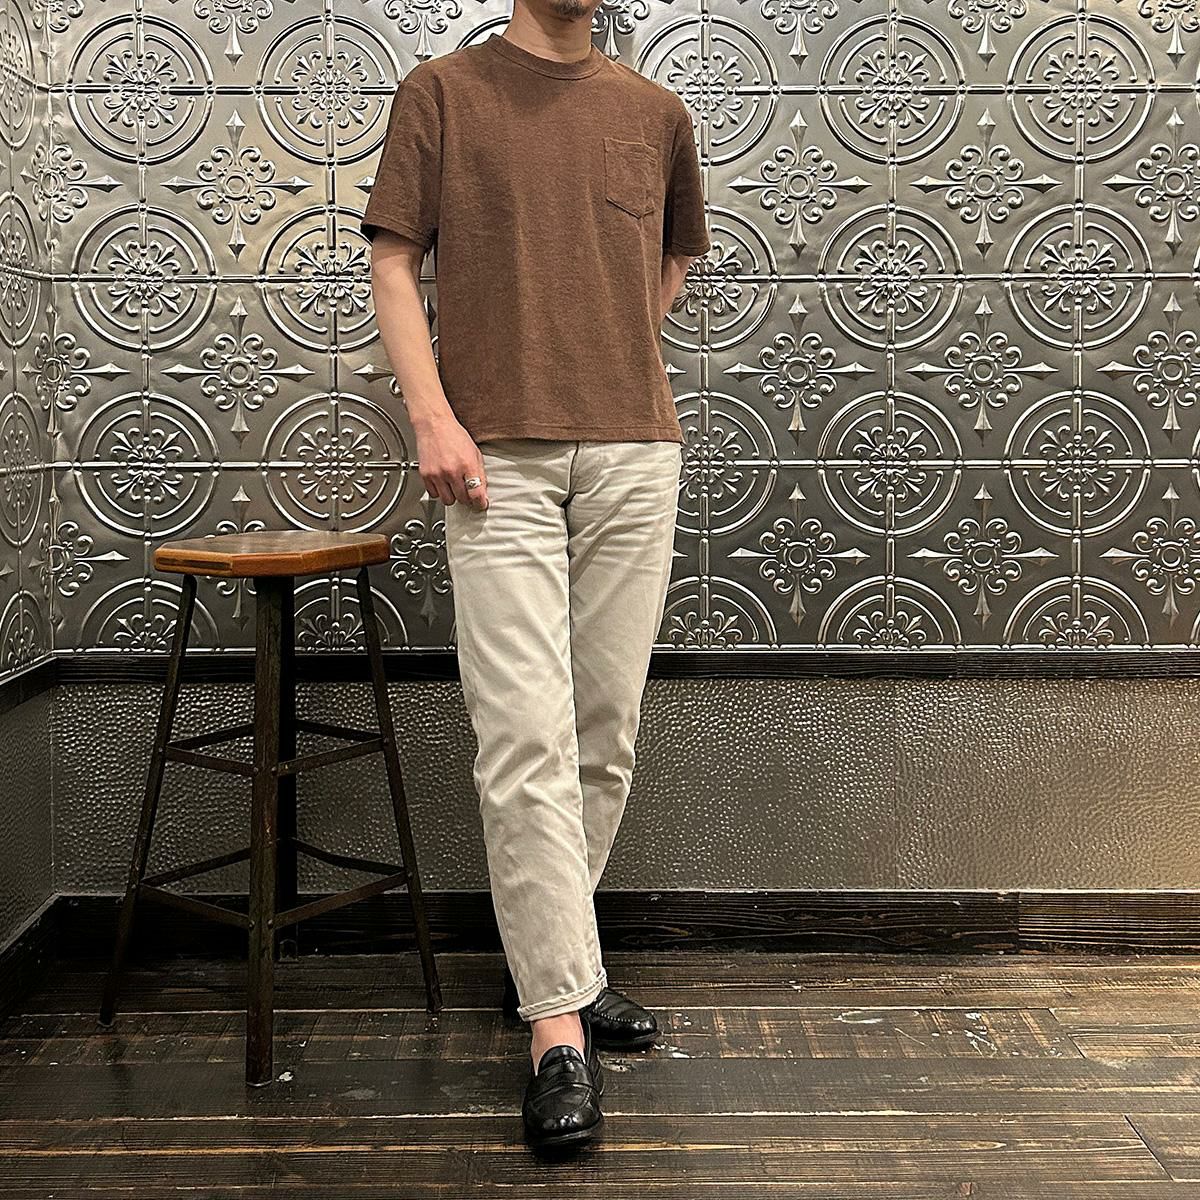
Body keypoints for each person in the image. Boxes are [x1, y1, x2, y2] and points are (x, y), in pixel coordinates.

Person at [363, 0, 710, 1153]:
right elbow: (394, 259)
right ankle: (558, 1033)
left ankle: (563, 960)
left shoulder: (656, 112)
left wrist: (600, 343)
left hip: (633, 454)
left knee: (603, 733)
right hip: (492, 461)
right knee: (524, 735)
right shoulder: (443, 92)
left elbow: (669, 261)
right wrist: (432, 415)